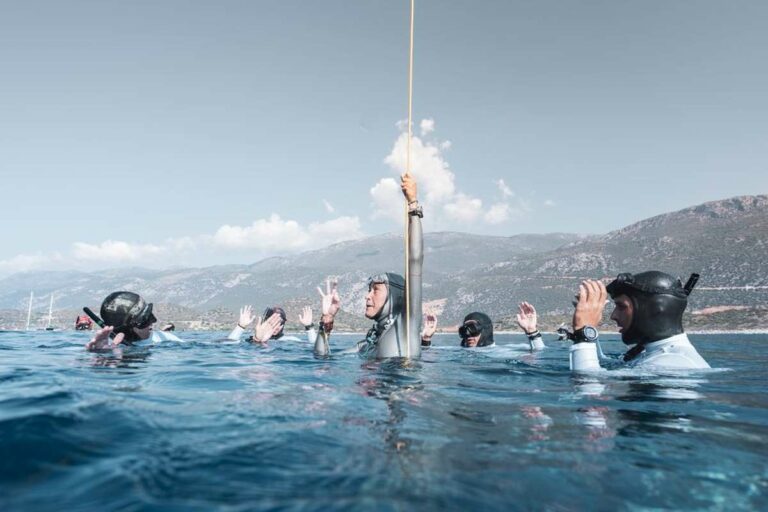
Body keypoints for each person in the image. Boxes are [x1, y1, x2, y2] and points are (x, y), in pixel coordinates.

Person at [314, 172, 423, 359]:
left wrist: (413, 205)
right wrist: (327, 319)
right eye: (369, 289)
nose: (367, 296)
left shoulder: (406, 326)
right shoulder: (368, 343)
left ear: (395, 296)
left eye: (376, 290)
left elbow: (414, 262)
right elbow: (322, 360)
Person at [568, 271, 710, 371]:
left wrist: (583, 334)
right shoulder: (655, 354)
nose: (613, 316)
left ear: (653, 310)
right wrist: (587, 329)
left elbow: (590, 396)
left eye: (621, 306)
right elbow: (600, 367)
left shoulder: (675, 362)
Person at [85, 291, 184, 351]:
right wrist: (100, 355)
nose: (153, 321)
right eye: (144, 320)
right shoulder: (113, 348)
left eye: (149, 315)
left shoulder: (167, 339)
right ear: (127, 330)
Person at [227, 305, 301, 345]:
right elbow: (228, 345)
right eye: (271, 322)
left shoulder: (291, 340)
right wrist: (240, 326)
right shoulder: (251, 340)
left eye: (280, 322)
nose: (275, 326)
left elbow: (312, 348)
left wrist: (309, 327)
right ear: (264, 322)